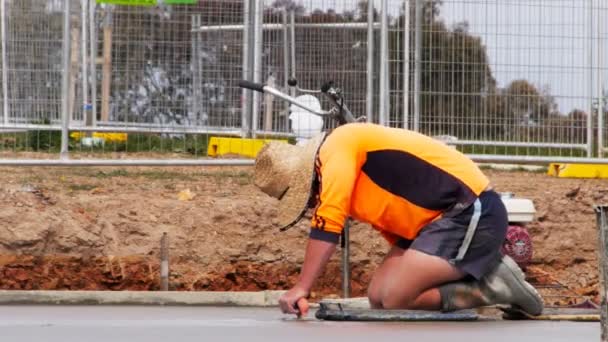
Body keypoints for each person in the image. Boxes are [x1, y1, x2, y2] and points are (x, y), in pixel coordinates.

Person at [253, 122, 543, 317]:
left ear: (308, 180)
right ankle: (474, 275)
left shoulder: (336, 148)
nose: (311, 205)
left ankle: (493, 284)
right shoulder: (340, 166)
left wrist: (302, 287)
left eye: (306, 197)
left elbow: (328, 222)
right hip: (435, 223)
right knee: (379, 298)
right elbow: (393, 223)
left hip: (469, 211)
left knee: (395, 299)